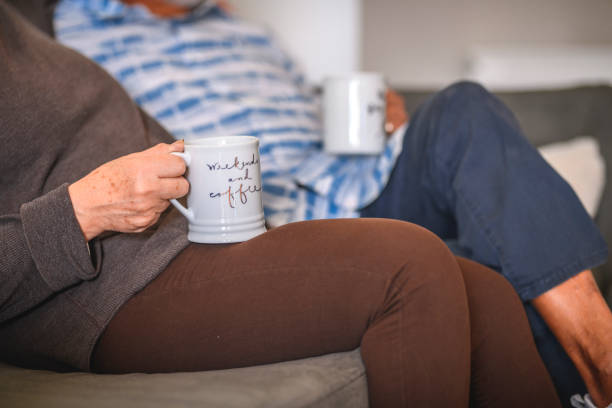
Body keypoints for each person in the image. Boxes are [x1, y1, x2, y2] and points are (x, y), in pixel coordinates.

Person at [0, 1, 567, 407]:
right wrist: (86, 208)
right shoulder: (69, 22)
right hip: (108, 285)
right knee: (411, 262)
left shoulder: (23, 29)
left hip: (196, 236)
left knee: (482, 290)